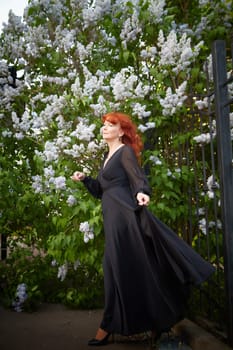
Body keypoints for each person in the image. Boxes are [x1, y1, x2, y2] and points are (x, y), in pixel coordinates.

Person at [71, 111, 215, 346]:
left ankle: (108, 327)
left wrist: (142, 192)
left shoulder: (125, 152)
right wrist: (86, 179)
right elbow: (101, 191)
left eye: (111, 125)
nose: (104, 128)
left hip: (125, 217)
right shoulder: (107, 157)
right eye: (104, 125)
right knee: (123, 270)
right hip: (113, 218)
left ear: (122, 131)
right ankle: (152, 322)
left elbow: (137, 177)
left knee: (123, 269)